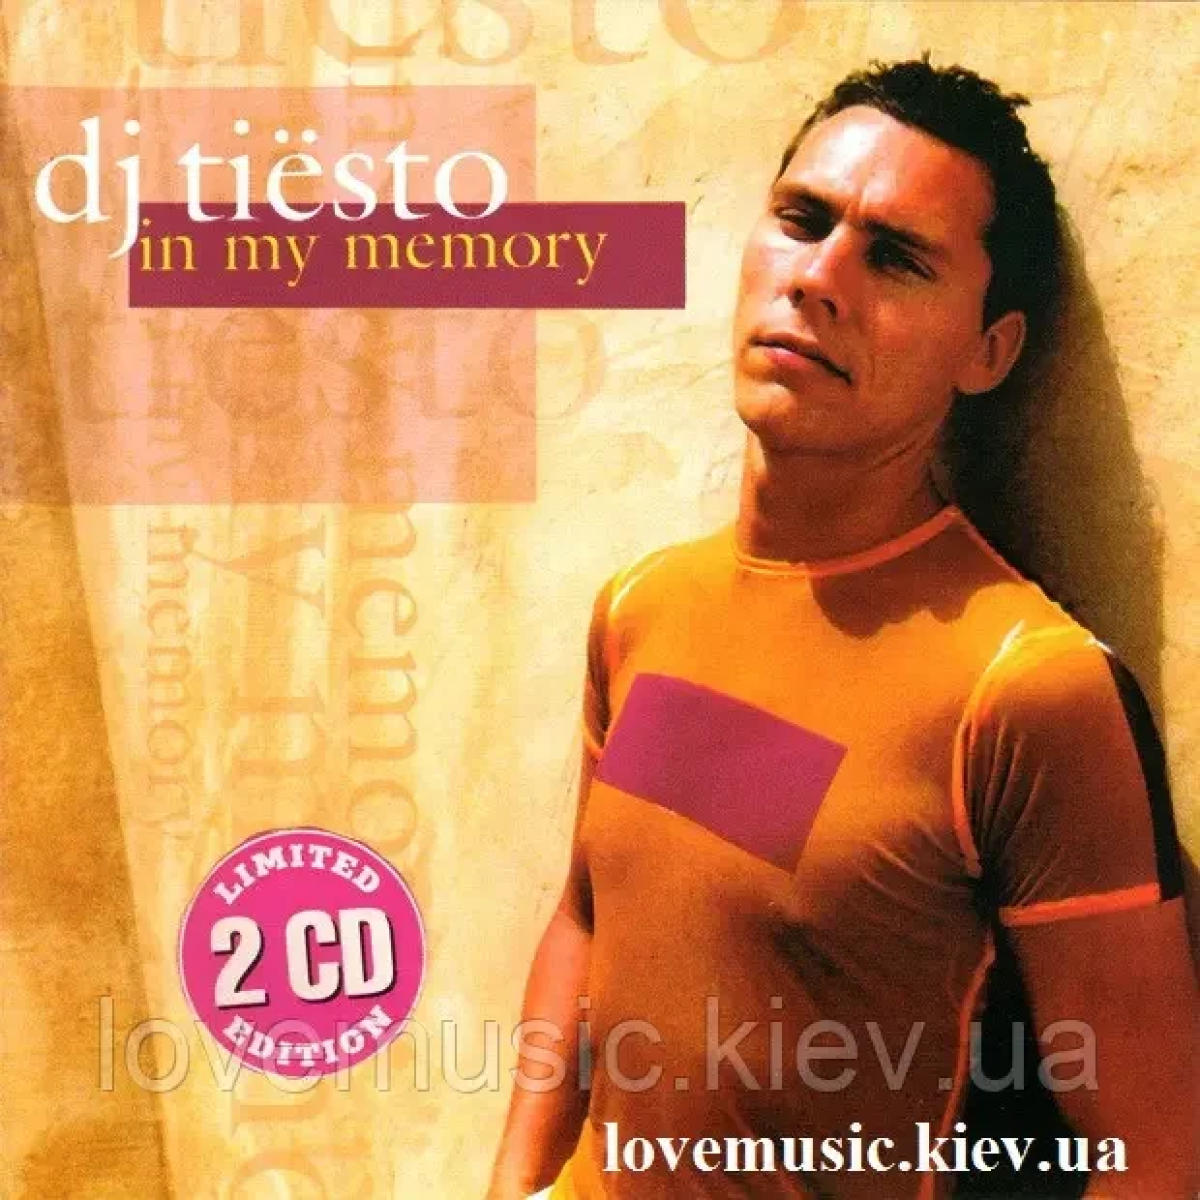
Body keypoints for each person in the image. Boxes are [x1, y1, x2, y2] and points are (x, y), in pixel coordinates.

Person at [488, 59, 1197, 1199]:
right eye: (802, 220)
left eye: (898, 257)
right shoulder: (642, 608)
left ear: (989, 350)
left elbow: (1152, 1159)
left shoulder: (1025, 688)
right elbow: (587, 919)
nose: (819, 278)